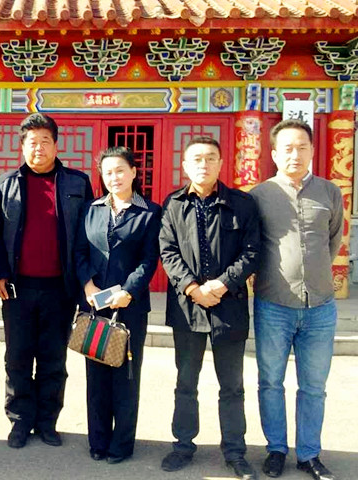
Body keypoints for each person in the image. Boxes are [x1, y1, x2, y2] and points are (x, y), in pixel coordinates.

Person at [0, 113, 93, 449]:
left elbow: (89, 235)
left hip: (60, 289)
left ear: (56, 145)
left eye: (45, 141)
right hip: (17, 289)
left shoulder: (77, 183)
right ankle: (19, 421)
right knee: (17, 357)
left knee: (53, 359)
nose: (39, 148)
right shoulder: (6, 183)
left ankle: (47, 422)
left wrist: (85, 283)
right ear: (22, 147)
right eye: (32, 142)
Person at [158, 136, 260, 479]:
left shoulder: (242, 204)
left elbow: (252, 251)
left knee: (232, 385)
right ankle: (183, 445)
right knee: (186, 382)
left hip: (228, 307)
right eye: (197, 159)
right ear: (185, 165)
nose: (204, 164)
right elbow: (168, 251)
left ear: (221, 163)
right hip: (187, 308)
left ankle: (235, 451)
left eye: (210, 158)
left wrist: (221, 284)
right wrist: (192, 288)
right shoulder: (173, 204)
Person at [251, 119, 344, 480]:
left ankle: (309, 454)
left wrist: (313, 275)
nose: (295, 154)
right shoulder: (259, 196)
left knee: (314, 387)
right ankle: (276, 449)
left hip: (320, 306)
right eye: (287, 148)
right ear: (274, 154)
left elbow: (332, 241)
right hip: (273, 304)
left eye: (302, 147)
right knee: (270, 382)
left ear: (312, 150)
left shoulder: (329, 192)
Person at [74, 147, 161, 464]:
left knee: (125, 377)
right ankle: (97, 441)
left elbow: (149, 260)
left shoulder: (150, 212)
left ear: (134, 172)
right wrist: (87, 284)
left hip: (129, 308)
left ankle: (121, 444)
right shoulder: (91, 209)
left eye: (120, 170)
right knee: (96, 376)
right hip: (95, 305)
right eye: (108, 172)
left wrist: (128, 291)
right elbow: (79, 251)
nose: (115, 177)